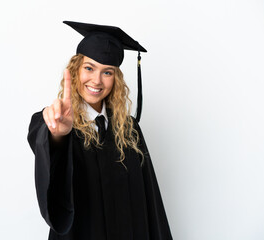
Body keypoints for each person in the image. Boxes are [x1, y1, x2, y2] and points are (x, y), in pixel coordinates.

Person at [27, 21, 173, 240]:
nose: (96, 80)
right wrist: (58, 135)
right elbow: (44, 143)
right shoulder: (56, 119)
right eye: (89, 68)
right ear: (76, 69)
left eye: (107, 72)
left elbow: (149, 200)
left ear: (116, 79)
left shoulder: (129, 129)